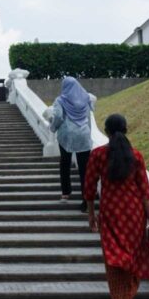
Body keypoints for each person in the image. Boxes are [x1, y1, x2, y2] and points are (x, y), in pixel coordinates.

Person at [84, 113, 149, 299]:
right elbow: (145, 193)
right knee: (132, 258)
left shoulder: (98, 155)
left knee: (114, 262)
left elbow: (89, 187)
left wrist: (91, 215)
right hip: (135, 216)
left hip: (111, 215)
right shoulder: (136, 156)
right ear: (126, 129)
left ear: (107, 131)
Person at [48, 77, 94, 210]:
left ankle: (66, 192)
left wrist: (53, 128)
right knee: (85, 168)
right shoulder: (86, 98)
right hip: (83, 135)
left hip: (67, 135)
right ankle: (86, 199)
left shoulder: (60, 100)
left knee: (65, 163)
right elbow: (88, 117)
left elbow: (58, 116)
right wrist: (88, 134)